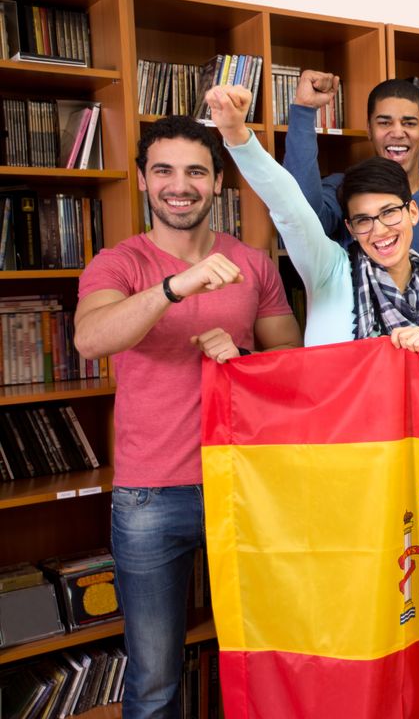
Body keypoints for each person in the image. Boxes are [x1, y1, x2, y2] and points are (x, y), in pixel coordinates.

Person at [74, 116, 302, 718]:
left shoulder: (254, 264)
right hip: (150, 496)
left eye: (196, 171)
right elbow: (92, 338)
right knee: (154, 682)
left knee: (265, 658)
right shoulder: (117, 263)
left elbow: (290, 365)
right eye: (165, 171)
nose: (181, 185)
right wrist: (177, 287)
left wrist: (244, 358)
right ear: (145, 182)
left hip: (245, 486)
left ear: (217, 182)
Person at [206, 85, 419, 351]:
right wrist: (236, 134)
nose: (380, 230)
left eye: (389, 212)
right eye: (364, 220)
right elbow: (289, 207)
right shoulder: (327, 270)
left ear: (413, 212)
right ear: (350, 228)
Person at [281, 67, 419, 302]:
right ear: (369, 129)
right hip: (362, 337)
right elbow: (300, 212)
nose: (398, 132)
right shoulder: (345, 191)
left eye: (409, 123)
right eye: (385, 123)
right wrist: (303, 110)